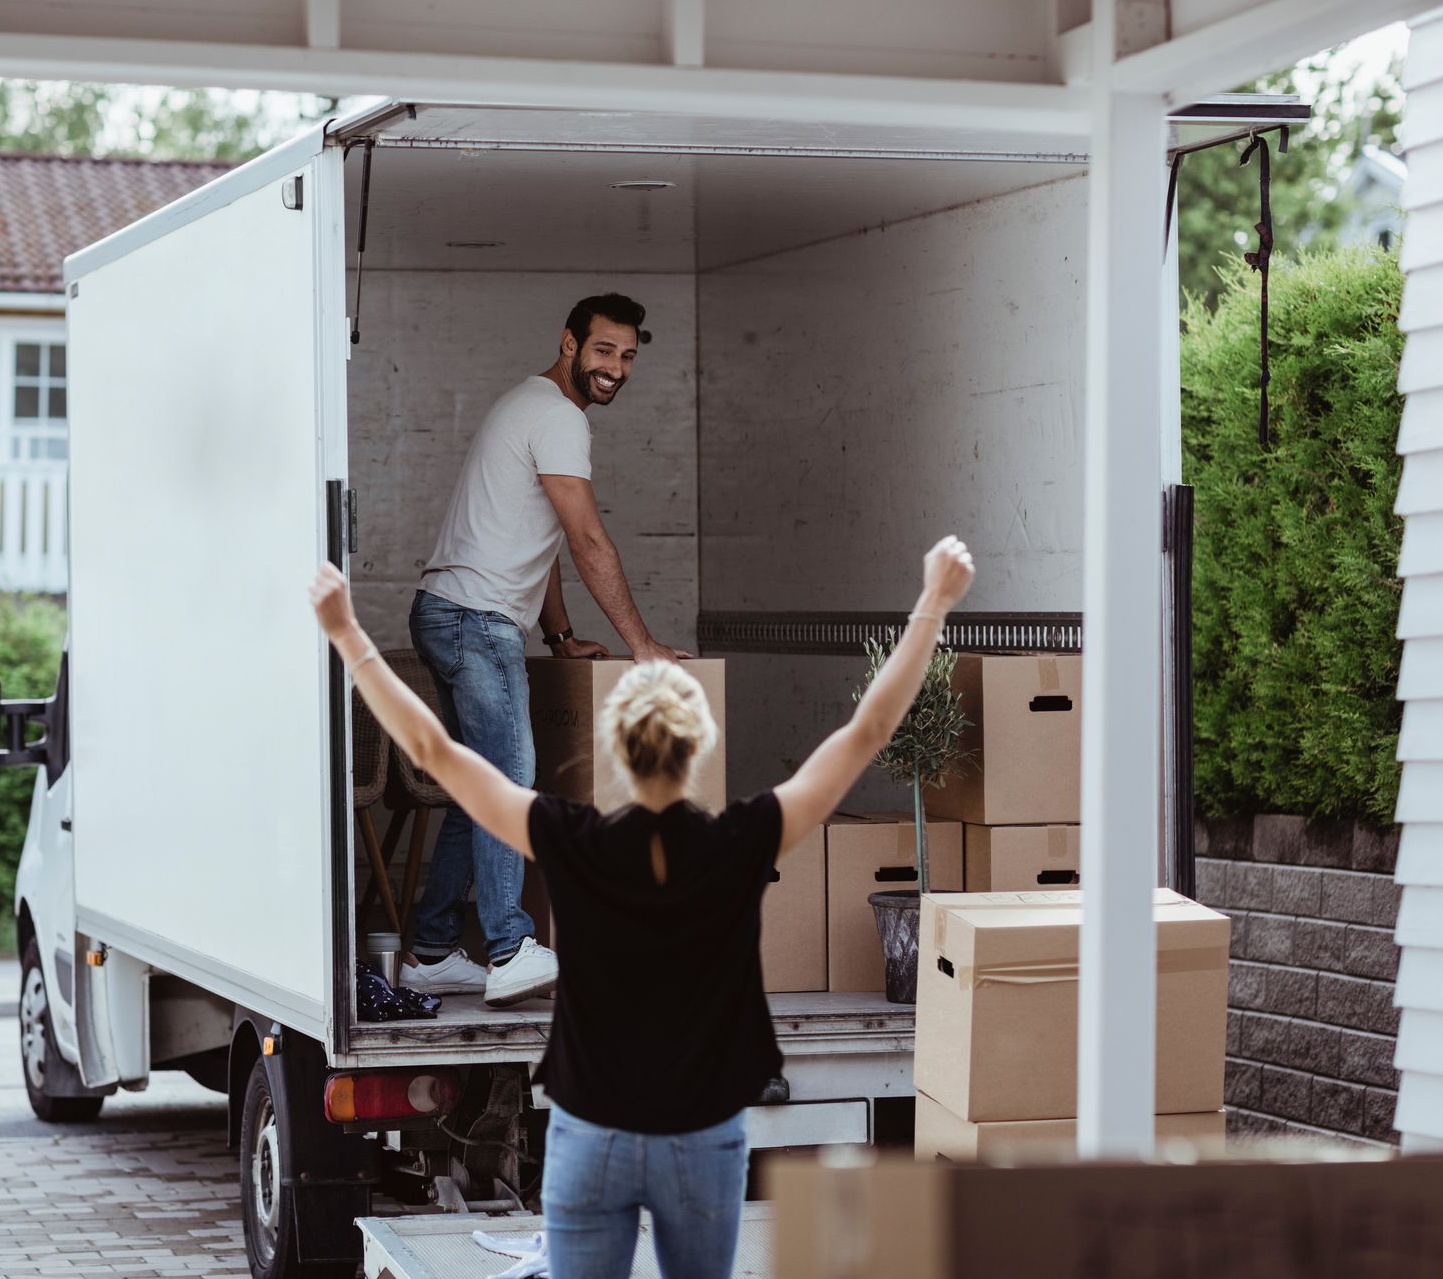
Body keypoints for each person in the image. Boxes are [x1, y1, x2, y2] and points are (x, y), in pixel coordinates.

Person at [309, 533, 976, 1279]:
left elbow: (436, 752)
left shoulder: (570, 840)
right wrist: (933, 603)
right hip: (702, 1133)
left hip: (593, 1131)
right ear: (701, 747)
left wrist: (349, 636)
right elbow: (867, 733)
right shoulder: (741, 840)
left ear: (614, 750)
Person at [402, 292, 691, 1009]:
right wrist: (642, 645)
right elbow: (588, 539)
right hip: (476, 619)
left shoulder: (527, 405)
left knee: (479, 785)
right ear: (569, 344)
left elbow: (544, 539)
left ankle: (432, 951)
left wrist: (560, 635)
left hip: (445, 611)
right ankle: (508, 950)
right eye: (603, 350)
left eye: (628, 356)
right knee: (509, 778)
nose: (615, 367)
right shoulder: (559, 417)